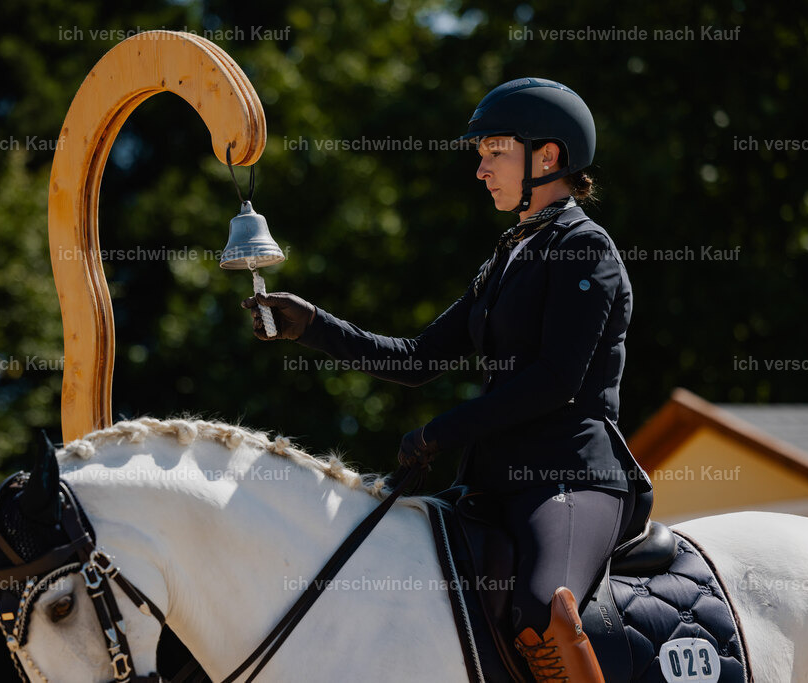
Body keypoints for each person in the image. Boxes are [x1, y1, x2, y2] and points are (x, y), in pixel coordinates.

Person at [242, 77, 652, 682]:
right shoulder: (507, 256)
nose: (481, 169)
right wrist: (311, 326)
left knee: (543, 606)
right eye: (480, 155)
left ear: (549, 156)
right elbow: (415, 358)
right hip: (491, 482)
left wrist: (442, 430)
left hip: (568, 476)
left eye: (495, 152)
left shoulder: (585, 250)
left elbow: (554, 382)